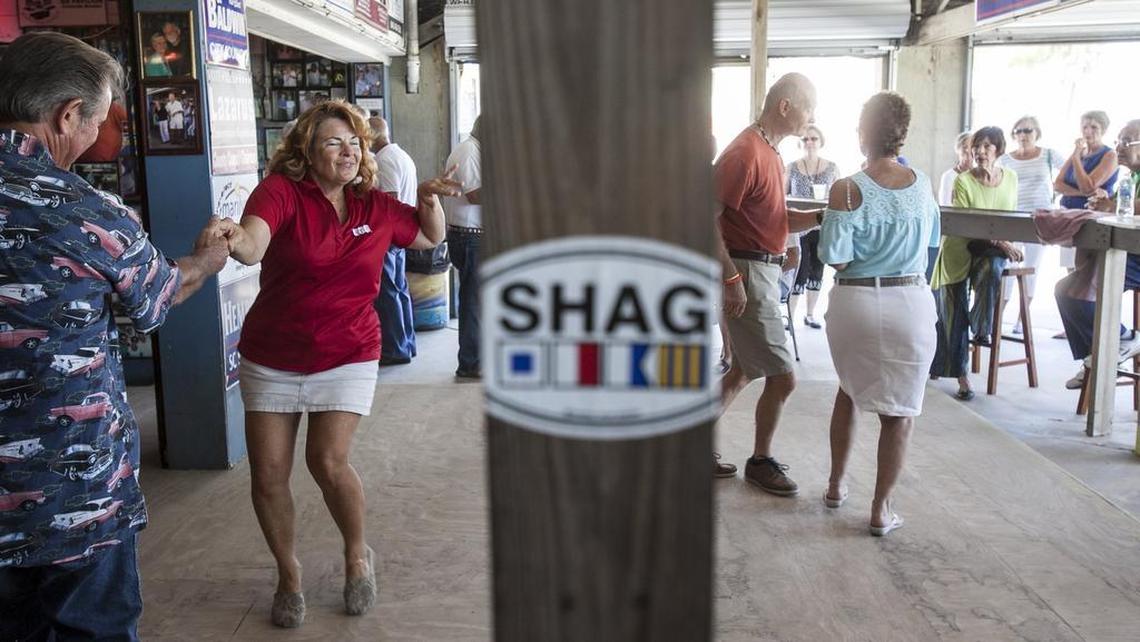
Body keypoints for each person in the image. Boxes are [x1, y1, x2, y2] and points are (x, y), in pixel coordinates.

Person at [0, 32, 230, 640]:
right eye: (97, 120)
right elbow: (159, 295)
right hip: (71, 498)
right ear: (67, 115)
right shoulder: (90, 210)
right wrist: (205, 261)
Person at [220, 100, 459, 628]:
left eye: (355, 143)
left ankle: (356, 554)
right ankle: (288, 573)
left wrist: (425, 199)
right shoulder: (280, 192)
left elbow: (430, 236)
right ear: (307, 150)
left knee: (326, 462)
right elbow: (256, 244)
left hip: (348, 349)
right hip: (274, 352)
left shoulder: (374, 205)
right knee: (268, 475)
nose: (349, 151)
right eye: (334, 142)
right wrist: (236, 239)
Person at [819, 92, 940, 537]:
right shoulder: (922, 183)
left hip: (855, 303)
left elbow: (835, 255)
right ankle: (880, 510)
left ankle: (835, 486)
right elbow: (930, 247)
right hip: (908, 298)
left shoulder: (846, 188)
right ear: (901, 135)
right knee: (900, 412)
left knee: (849, 390)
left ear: (861, 134)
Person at [714, 73, 823, 488]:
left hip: (763, 267)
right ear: (785, 106)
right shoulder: (744, 152)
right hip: (748, 270)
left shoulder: (771, 153)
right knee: (784, 377)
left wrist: (821, 217)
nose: (811, 119)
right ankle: (761, 462)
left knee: (740, 372)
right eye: (808, 107)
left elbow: (776, 219)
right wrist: (732, 278)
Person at [929, 127, 1023, 400]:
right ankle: (963, 380)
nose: (980, 152)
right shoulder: (963, 181)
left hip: (989, 251)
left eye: (987, 147)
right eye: (977, 147)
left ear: (999, 150)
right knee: (954, 315)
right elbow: (970, 227)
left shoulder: (1011, 179)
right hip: (961, 247)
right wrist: (1004, 244)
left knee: (991, 268)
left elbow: (1011, 218)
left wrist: (1007, 243)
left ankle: (982, 330)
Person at [1056, 119, 1140, 390]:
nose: (1120, 147)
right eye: (1118, 141)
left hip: (1135, 258)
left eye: (1127, 141)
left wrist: (1113, 205)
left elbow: (1128, 208)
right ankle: (1096, 357)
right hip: (1124, 252)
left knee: (1083, 290)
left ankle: (1123, 341)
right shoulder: (1132, 177)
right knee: (1064, 289)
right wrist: (1107, 200)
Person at [997, 116, 1064, 332]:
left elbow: (1067, 174)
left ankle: (1021, 320)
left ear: (1037, 132)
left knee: (1031, 269)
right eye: (1018, 131)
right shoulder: (1005, 160)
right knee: (1007, 266)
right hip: (1013, 219)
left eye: (1028, 130)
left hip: (1040, 219)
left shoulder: (1048, 155)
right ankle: (997, 317)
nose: (1023, 135)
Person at [369, 116, 418, 365]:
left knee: (388, 292)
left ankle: (395, 349)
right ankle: (407, 343)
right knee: (399, 289)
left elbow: (390, 198)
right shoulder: (401, 155)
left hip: (389, 235)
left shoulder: (384, 160)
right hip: (400, 234)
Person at [785, 124, 839, 329]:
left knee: (817, 269)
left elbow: (838, 195)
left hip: (821, 224)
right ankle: (790, 315)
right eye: (806, 139)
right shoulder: (791, 166)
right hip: (798, 225)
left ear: (821, 141)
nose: (809, 142)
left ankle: (810, 314)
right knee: (799, 268)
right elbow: (782, 195)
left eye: (813, 139)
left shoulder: (832, 167)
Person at [442, 115, 483, 379]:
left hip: (476, 235)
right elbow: (475, 194)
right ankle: (470, 363)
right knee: (473, 301)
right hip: (470, 237)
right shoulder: (469, 152)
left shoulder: (476, 150)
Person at [938, 132, 973, 207]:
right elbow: (945, 205)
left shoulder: (979, 177)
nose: (967, 150)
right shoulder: (948, 176)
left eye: (971, 147)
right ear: (957, 149)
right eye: (964, 147)